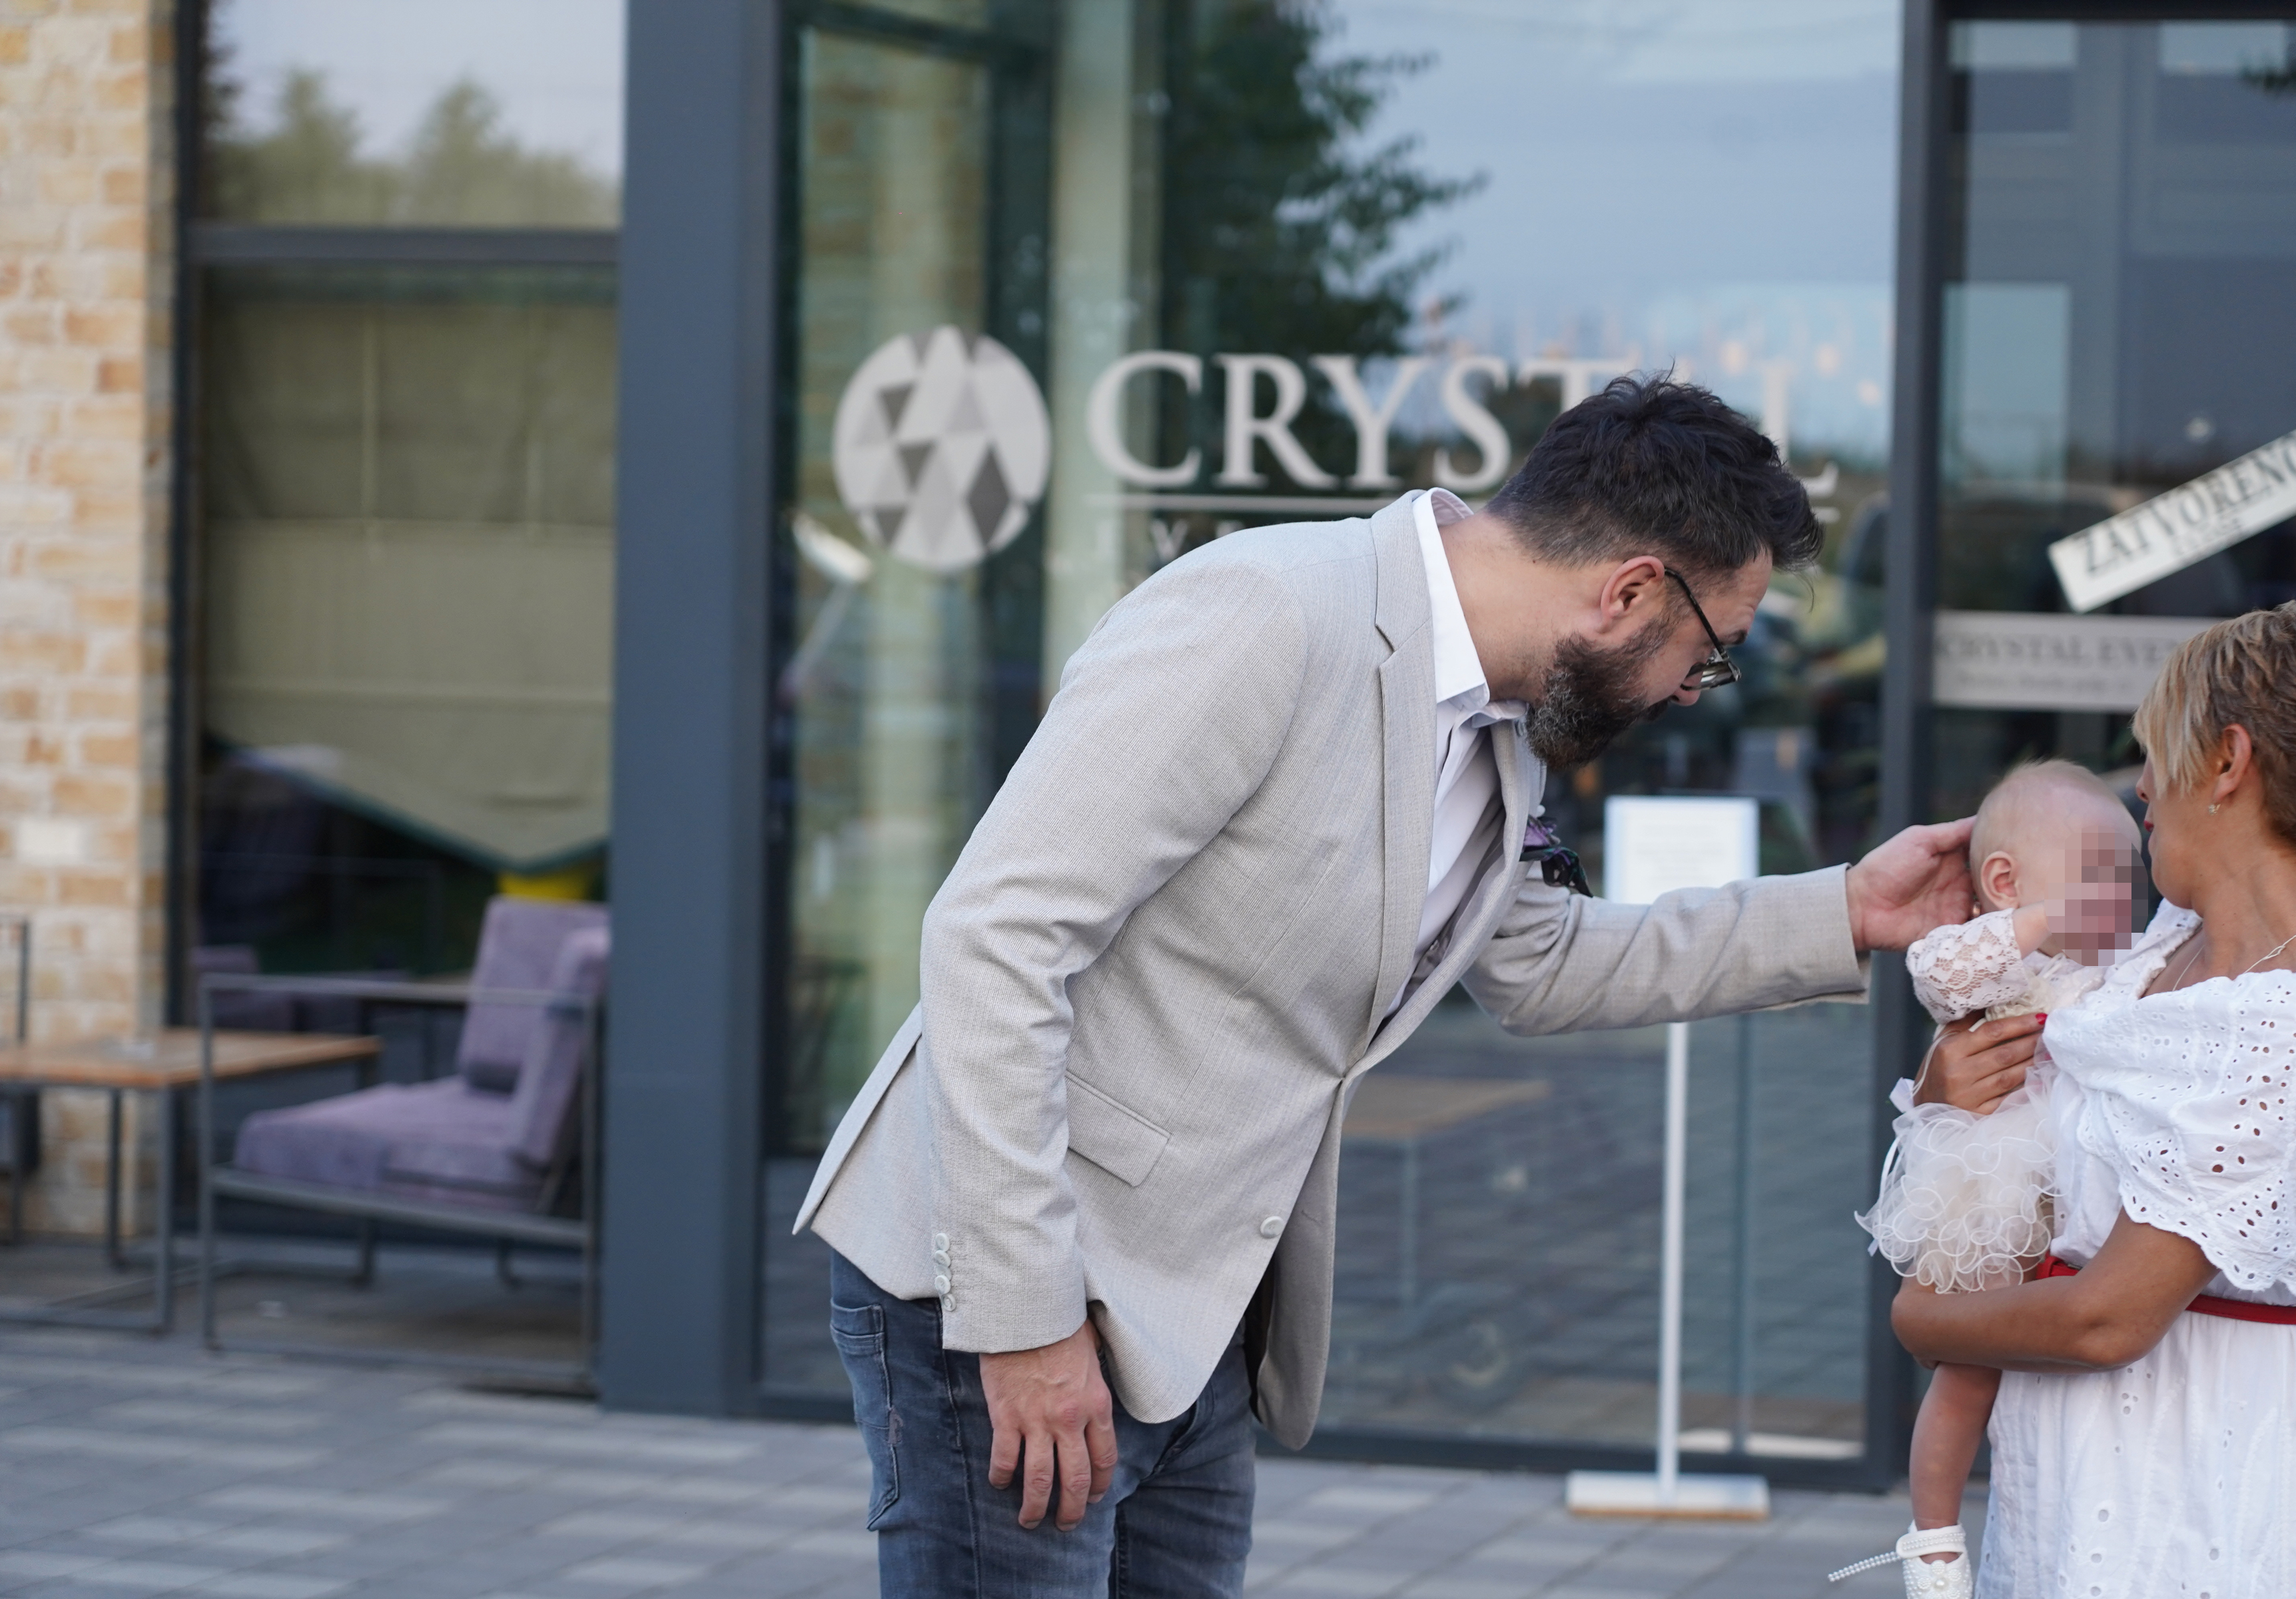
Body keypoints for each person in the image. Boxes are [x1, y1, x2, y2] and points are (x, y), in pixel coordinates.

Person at [795, 374, 1978, 1597]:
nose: (1694, 688)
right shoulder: (1266, 613)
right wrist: (1029, 1323)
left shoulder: (1501, 723)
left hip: (1195, 1313)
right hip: (1009, 1287)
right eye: (1706, 653)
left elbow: (1539, 962)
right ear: (1629, 591)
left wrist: (1845, 910)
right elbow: (996, 937)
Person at [1892, 602, 2296, 1599]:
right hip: (2071, 1485)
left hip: (2207, 1496)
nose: (2141, 787)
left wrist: (1920, 1323)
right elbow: (2031, 1142)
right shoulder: (2160, 944)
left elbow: (2109, 1318)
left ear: (2228, 762)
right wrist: (1950, 1090)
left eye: (2156, 751)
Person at [1844, 760, 2145, 1596]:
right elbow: (1938, 974)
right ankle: (1933, 1534)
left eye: (2128, 879)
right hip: (1999, 1187)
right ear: (2005, 881)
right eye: (2099, 873)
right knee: (1967, 1371)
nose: (2118, 897)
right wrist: (2038, 920)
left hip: (2082, 1203)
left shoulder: (2118, 970)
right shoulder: (2000, 954)